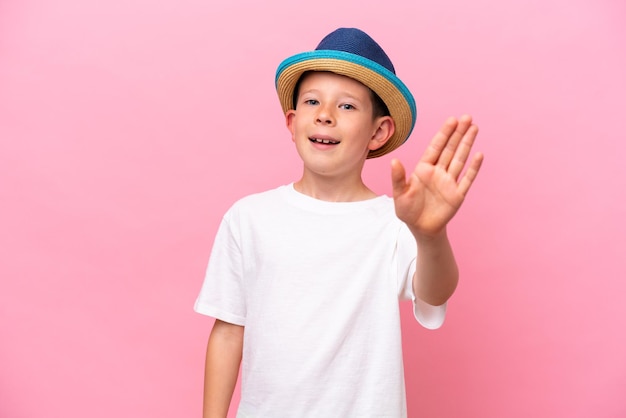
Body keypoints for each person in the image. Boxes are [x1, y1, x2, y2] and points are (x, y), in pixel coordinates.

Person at [194, 27, 483, 418]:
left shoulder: (394, 223)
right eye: (313, 101)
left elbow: (434, 292)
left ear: (378, 132)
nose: (326, 116)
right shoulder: (249, 219)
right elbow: (229, 330)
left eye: (347, 106)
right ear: (293, 121)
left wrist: (430, 236)